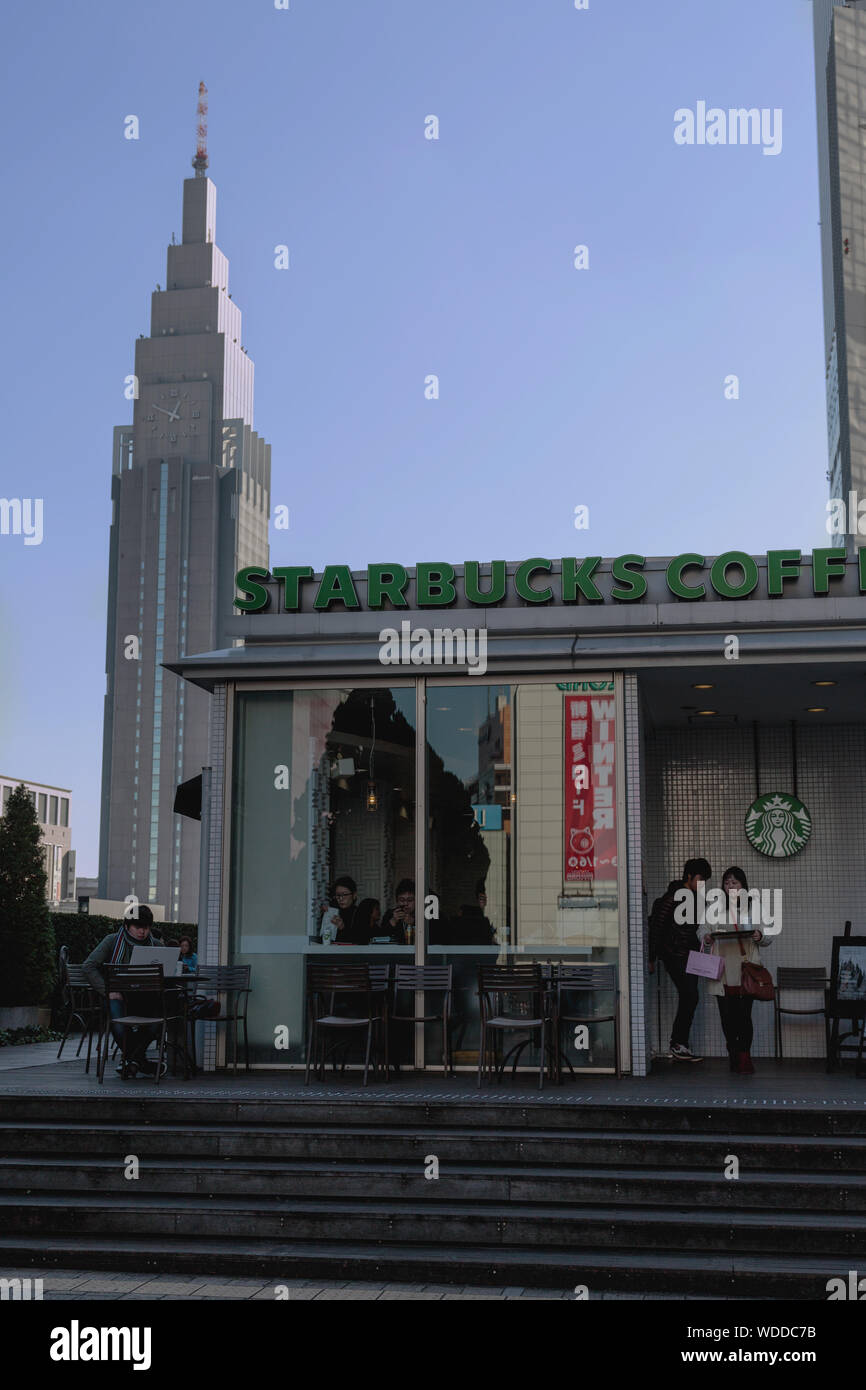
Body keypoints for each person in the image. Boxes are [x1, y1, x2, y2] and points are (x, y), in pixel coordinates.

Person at [82, 905, 167, 1079]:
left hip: (146, 998)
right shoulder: (112, 941)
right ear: (127, 926)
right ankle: (139, 1061)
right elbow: (88, 966)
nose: (142, 932)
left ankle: (131, 1061)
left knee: (156, 1022)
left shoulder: (156, 945)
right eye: (138, 927)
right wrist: (108, 990)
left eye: (146, 927)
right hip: (118, 996)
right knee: (119, 1024)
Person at [703, 866, 770, 1075]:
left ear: (743, 885)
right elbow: (703, 930)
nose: (730, 886)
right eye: (727, 882)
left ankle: (744, 1056)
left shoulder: (754, 907)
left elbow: (768, 934)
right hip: (722, 970)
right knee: (726, 1017)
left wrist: (761, 936)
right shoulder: (715, 908)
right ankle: (733, 1052)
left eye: (735, 882)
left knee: (744, 1016)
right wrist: (705, 937)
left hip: (744, 970)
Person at [648, 856, 712, 1062]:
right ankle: (678, 1043)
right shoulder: (673, 896)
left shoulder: (696, 898)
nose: (702, 884)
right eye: (700, 879)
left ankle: (680, 1043)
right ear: (689, 876)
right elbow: (656, 927)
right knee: (690, 994)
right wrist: (652, 957)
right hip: (674, 955)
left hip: (691, 955)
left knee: (691, 996)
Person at [322, 876, 372, 945]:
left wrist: (343, 928)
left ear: (354, 895)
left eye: (345, 894)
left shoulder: (361, 913)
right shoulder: (333, 912)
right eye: (338, 895)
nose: (341, 898)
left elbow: (363, 940)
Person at [382, 880, 416, 944]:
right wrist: (393, 921)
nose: (406, 903)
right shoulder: (389, 914)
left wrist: (414, 923)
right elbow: (380, 938)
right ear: (397, 901)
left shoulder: (422, 915)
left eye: (410, 900)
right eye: (402, 900)